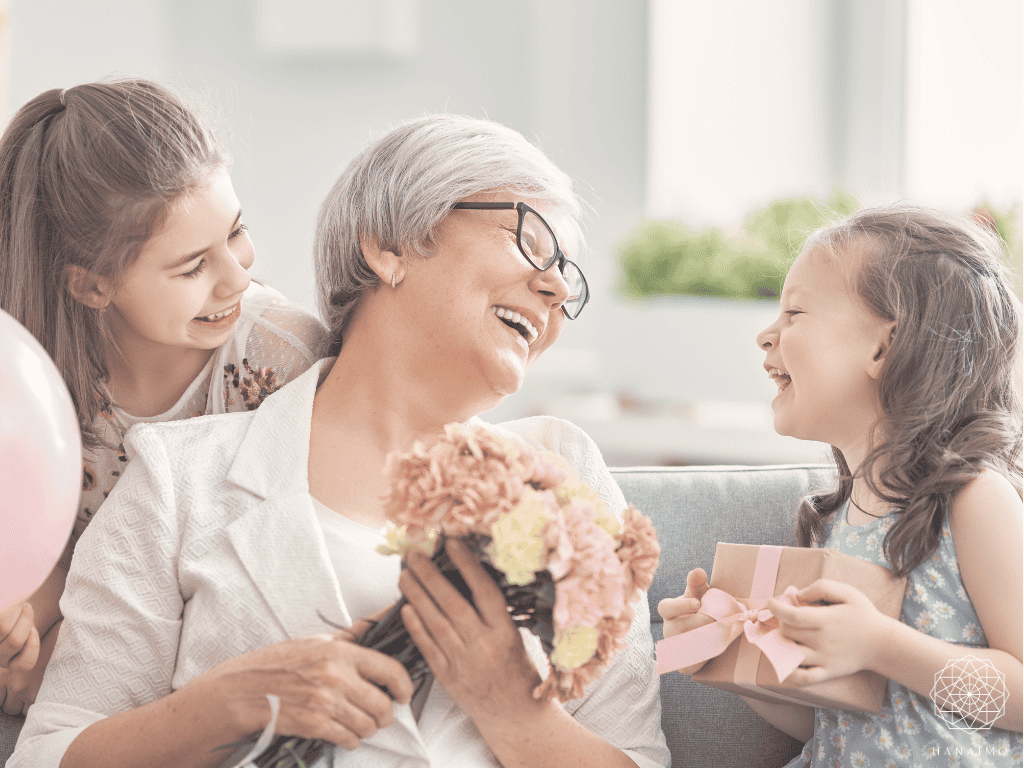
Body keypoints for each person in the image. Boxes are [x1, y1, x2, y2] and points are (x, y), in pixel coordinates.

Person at [10, 114, 669, 768]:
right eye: (530, 240)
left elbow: (639, 759)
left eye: (567, 274)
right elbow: (45, 756)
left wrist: (516, 712)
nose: (556, 288)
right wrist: (231, 704)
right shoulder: (178, 479)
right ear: (389, 245)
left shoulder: (565, 474)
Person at [0, 79, 327, 716]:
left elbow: (283, 575)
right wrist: (25, 625)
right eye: (192, 266)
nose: (238, 276)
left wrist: (69, 652)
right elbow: (45, 551)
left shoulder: (284, 363)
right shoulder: (32, 379)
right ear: (91, 287)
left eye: (236, 232)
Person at [660, 205, 1023, 765]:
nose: (765, 334)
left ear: (885, 348)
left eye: (794, 312)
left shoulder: (973, 500)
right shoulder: (834, 518)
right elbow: (829, 721)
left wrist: (881, 645)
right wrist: (725, 657)